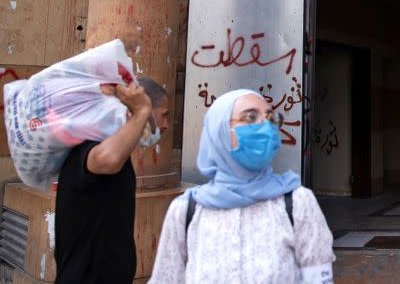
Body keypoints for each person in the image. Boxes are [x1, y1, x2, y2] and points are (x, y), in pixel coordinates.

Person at [149, 89, 335, 284]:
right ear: (218, 131)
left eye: (271, 119)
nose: (264, 127)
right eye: (250, 117)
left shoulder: (298, 203)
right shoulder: (187, 211)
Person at [55, 77, 169, 284]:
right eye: (164, 115)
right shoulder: (88, 147)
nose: (166, 125)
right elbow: (108, 160)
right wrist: (142, 112)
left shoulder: (116, 156)